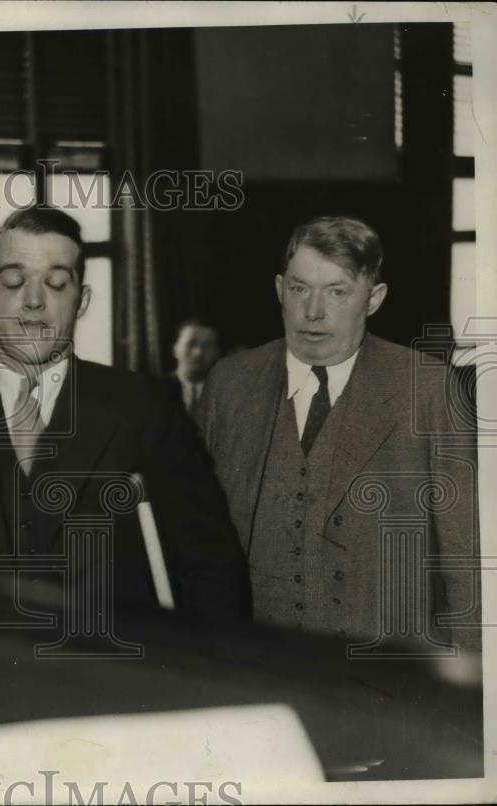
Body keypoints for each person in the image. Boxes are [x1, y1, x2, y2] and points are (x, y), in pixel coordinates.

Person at [0, 207, 247, 621]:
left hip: (116, 667)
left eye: (57, 283)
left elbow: (211, 564)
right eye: (14, 281)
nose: (35, 301)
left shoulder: (144, 407)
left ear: (82, 300)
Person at [197, 216, 479, 650]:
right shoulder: (230, 383)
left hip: (385, 668)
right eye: (299, 288)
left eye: (337, 291)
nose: (313, 311)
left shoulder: (426, 387)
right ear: (279, 289)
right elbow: (195, 541)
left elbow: (465, 558)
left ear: (374, 298)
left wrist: (472, 683)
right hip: (256, 658)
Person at [170, 318, 221, 414]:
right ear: (175, 348)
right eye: (191, 344)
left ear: (216, 353)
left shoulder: (224, 393)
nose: (198, 353)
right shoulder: (155, 391)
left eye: (207, 346)